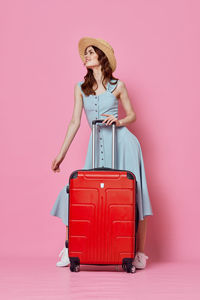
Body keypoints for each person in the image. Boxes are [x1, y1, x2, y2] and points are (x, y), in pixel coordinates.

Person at [50, 37, 153, 270]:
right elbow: (75, 122)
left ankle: (139, 253)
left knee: (135, 195)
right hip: (95, 145)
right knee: (80, 195)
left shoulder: (119, 85)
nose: (85, 56)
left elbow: (133, 116)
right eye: (84, 53)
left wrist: (119, 120)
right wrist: (61, 154)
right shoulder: (80, 88)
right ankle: (70, 248)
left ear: (101, 57)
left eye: (90, 52)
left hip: (123, 143)